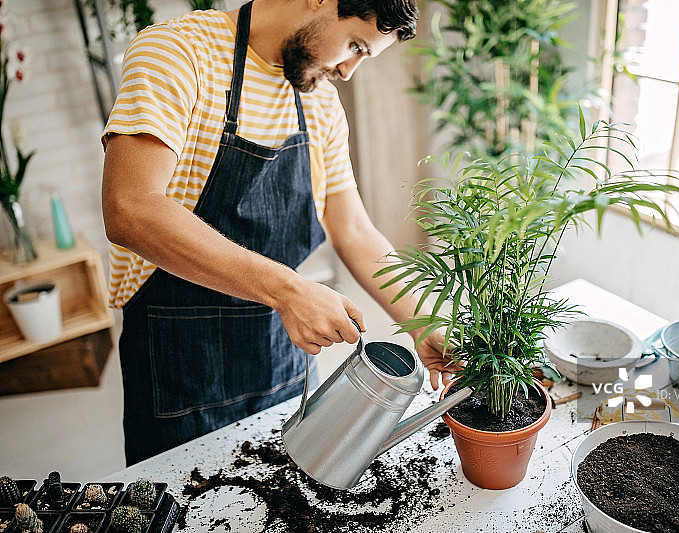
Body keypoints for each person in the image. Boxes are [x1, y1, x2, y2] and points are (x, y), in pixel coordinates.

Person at [101, 0, 454, 465]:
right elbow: (130, 207)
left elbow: (352, 228)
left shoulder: (320, 101)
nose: (348, 71)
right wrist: (288, 291)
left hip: (279, 353)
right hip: (178, 359)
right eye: (354, 46)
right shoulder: (179, 52)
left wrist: (425, 319)